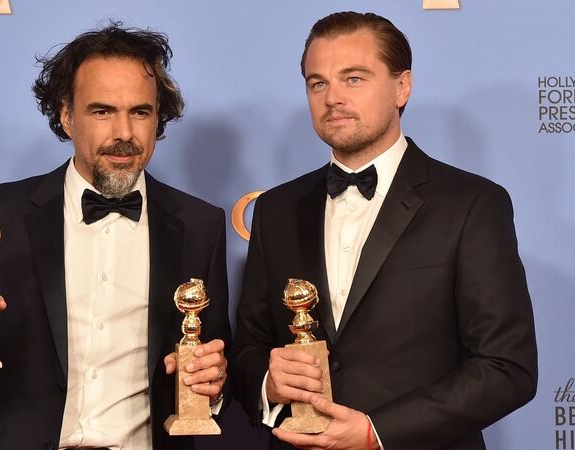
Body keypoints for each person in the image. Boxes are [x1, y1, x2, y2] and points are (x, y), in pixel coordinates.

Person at [0, 22, 230, 450]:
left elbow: (216, 363)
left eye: (140, 112)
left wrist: (215, 383)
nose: (124, 133)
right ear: (66, 116)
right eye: (102, 112)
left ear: (159, 117)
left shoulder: (199, 224)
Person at [229, 11, 537, 450]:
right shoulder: (276, 209)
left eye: (353, 79)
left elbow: (507, 368)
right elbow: (249, 347)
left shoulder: (471, 204)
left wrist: (378, 432)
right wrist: (268, 384)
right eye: (318, 83)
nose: (332, 98)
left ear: (402, 87)